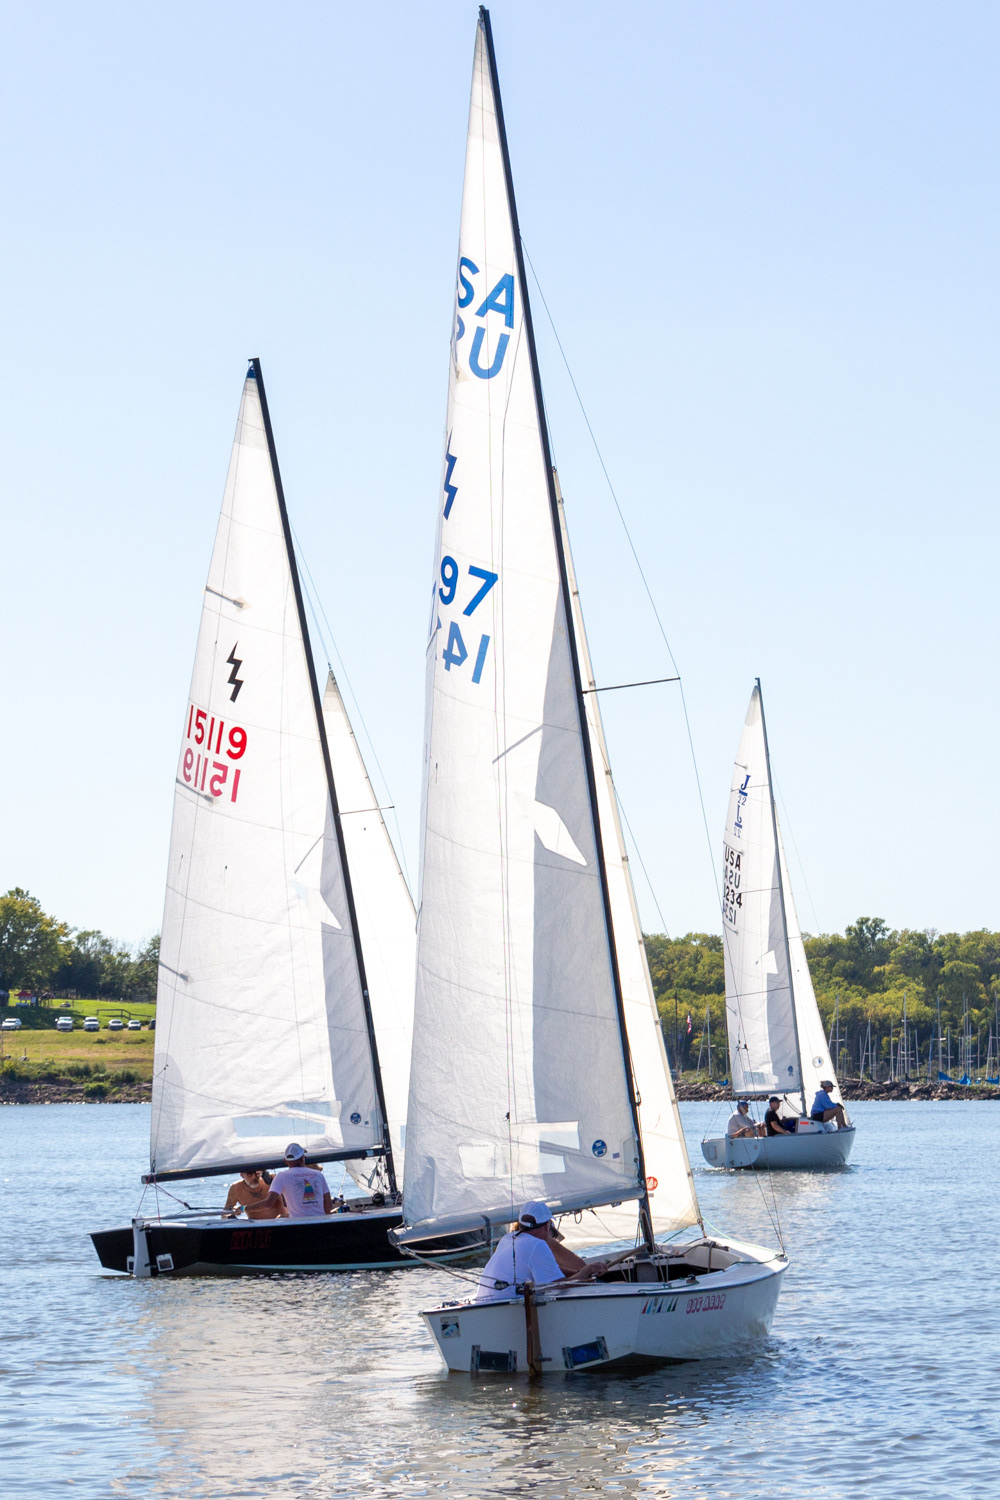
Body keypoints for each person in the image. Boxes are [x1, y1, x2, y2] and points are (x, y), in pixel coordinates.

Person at [476, 1201, 608, 1303]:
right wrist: (586, 1271)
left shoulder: (508, 1238)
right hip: (504, 1310)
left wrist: (578, 1272)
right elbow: (559, 1286)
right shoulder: (537, 1244)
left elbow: (550, 1269)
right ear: (547, 1225)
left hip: (484, 1306)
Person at [251, 1143, 337, 1217]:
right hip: (320, 1224)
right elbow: (328, 1209)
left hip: (297, 1226)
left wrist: (245, 1208)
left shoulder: (281, 1176)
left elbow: (268, 1204)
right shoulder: (318, 1175)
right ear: (303, 1158)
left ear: (285, 1161)